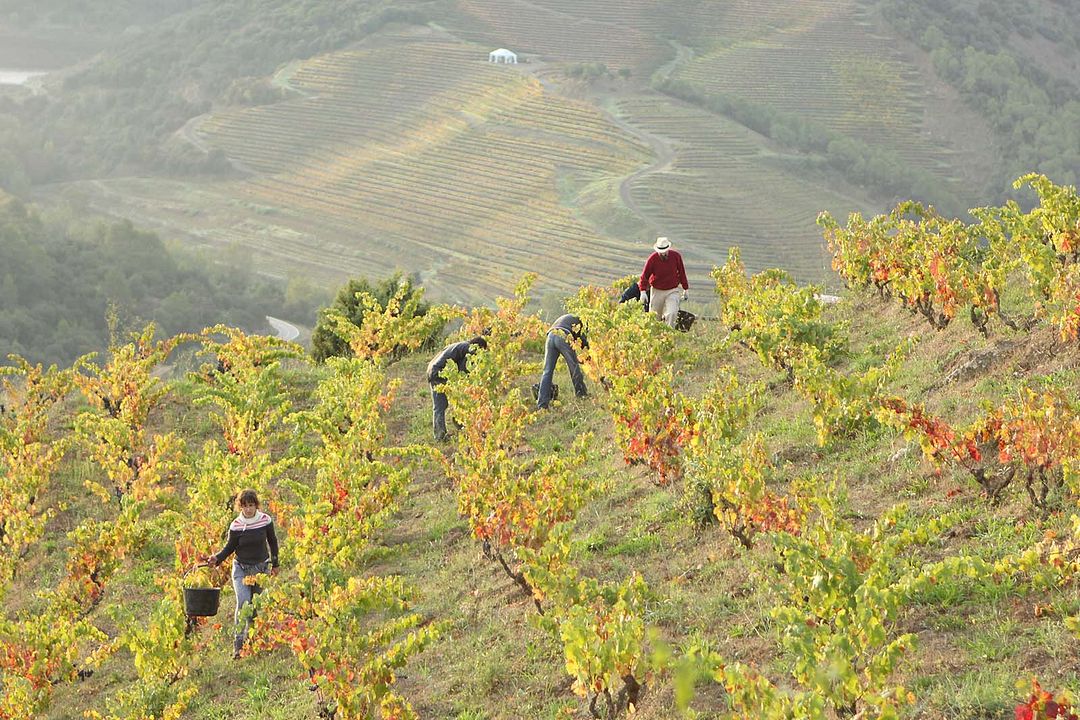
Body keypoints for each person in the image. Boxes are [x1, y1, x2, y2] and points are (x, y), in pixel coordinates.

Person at [206, 489, 279, 659]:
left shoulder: (265, 520)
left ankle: (252, 641)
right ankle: (238, 646)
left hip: (261, 569)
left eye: (251, 506)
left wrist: (275, 564)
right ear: (241, 507)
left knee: (255, 606)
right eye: (245, 506)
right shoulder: (236, 526)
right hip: (241, 569)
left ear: (256, 506)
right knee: (244, 603)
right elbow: (230, 547)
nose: (248, 510)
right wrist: (216, 558)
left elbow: (273, 542)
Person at [427, 336, 488, 441]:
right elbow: (464, 370)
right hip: (438, 372)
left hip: (433, 369)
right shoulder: (470, 349)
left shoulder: (461, 345)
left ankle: (449, 432)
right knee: (447, 404)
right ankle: (442, 435)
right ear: (479, 347)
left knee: (443, 405)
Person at [537, 314, 588, 409]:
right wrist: (588, 357)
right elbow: (583, 341)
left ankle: (542, 404)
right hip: (563, 335)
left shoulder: (569, 317)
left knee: (547, 371)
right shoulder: (582, 322)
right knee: (574, 366)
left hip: (550, 336)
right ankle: (582, 394)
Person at [638, 236, 688, 328]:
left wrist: (685, 289)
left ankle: (669, 334)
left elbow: (682, 272)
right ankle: (655, 338)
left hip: (672, 290)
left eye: (664, 251)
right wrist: (643, 291)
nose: (663, 254)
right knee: (654, 317)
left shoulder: (676, 256)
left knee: (672, 313)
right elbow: (645, 275)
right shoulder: (652, 259)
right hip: (657, 291)